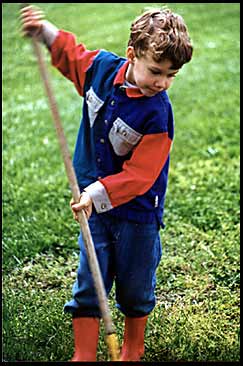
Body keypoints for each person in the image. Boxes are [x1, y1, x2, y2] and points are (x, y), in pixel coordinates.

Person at [20, 5, 193, 361]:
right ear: (132, 55)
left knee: (134, 285)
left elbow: (141, 175)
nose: (162, 83)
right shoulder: (100, 70)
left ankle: (132, 349)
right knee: (90, 279)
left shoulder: (157, 113)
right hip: (93, 209)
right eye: (156, 71)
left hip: (136, 213)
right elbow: (73, 56)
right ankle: (83, 354)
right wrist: (46, 32)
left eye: (172, 75)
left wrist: (96, 194)